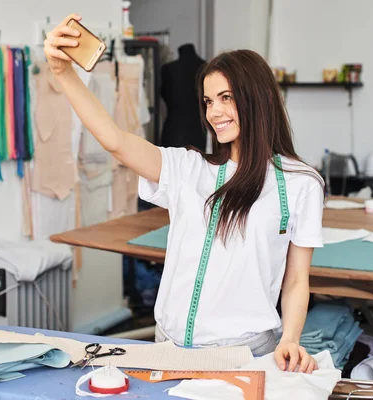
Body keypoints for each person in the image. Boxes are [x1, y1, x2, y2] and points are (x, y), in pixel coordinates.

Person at [44, 14, 324, 374]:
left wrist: (291, 338)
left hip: (245, 355)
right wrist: (64, 73)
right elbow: (115, 140)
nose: (214, 112)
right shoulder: (188, 169)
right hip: (168, 347)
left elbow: (297, 278)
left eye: (226, 97)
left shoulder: (301, 184)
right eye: (208, 101)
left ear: (258, 98)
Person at [160, 43, 207, 150]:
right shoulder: (205, 67)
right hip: (197, 128)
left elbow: (163, 94)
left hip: (175, 127)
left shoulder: (168, 69)